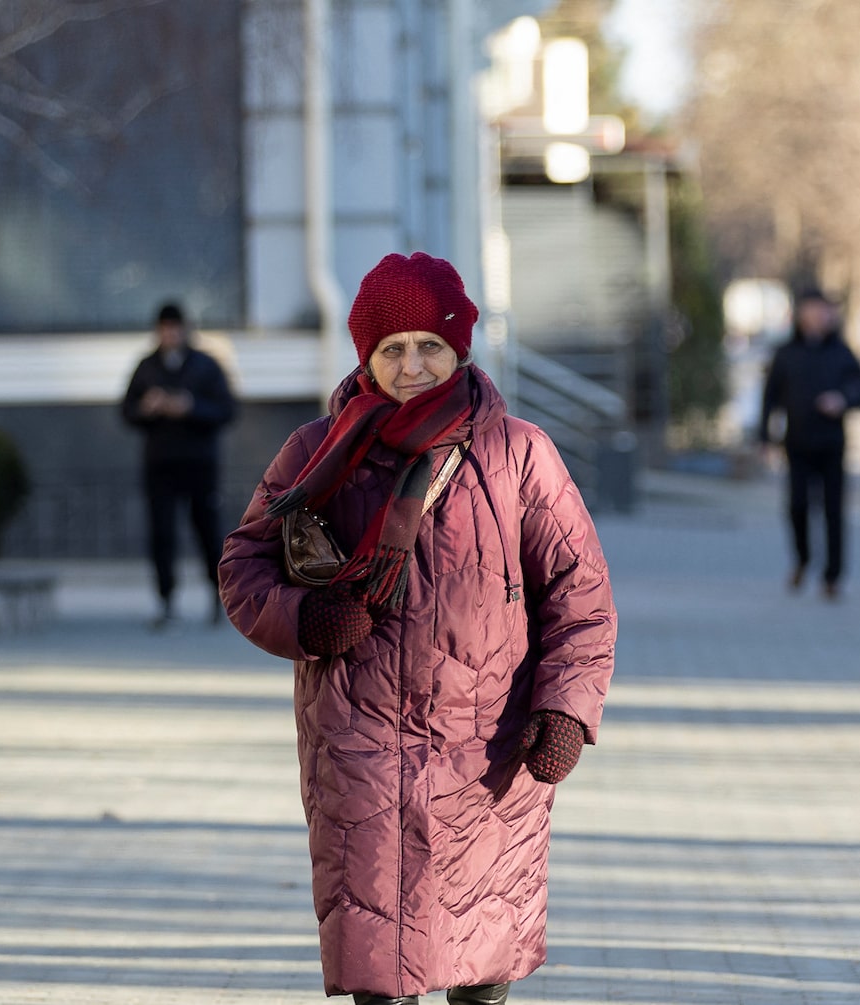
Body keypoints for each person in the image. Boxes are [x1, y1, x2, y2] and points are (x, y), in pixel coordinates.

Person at [217, 253, 617, 1005]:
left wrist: (566, 708)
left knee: (481, 960)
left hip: (490, 752)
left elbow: (581, 595)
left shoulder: (518, 453)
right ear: (366, 357)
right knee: (378, 960)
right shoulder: (316, 453)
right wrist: (307, 617)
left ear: (459, 349)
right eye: (391, 350)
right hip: (360, 746)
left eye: (429, 346)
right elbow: (244, 566)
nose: (412, 365)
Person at [121, 302, 237, 629]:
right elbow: (127, 411)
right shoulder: (146, 367)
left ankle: (218, 598)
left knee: (207, 530)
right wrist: (147, 408)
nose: (170, 334)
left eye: (175, 327)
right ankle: (165, 599)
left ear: (186, 328)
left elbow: (226, 410)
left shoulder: (206, 366)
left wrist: (190, 407)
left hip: (199, 462)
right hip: (160, 463)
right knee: (162, 533)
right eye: (165, 327)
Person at [758, 289, 860, 599]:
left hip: (832, 443)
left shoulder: (841, 352)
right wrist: (764, 437)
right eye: (812, 309)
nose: (818, 316)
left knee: (834, 510)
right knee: (797, 506)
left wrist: (843, 399)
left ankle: (832, 575)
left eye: (822, 310)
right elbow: (770, 396)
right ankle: (802, 558)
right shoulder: (787, 353)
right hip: (797, 442)